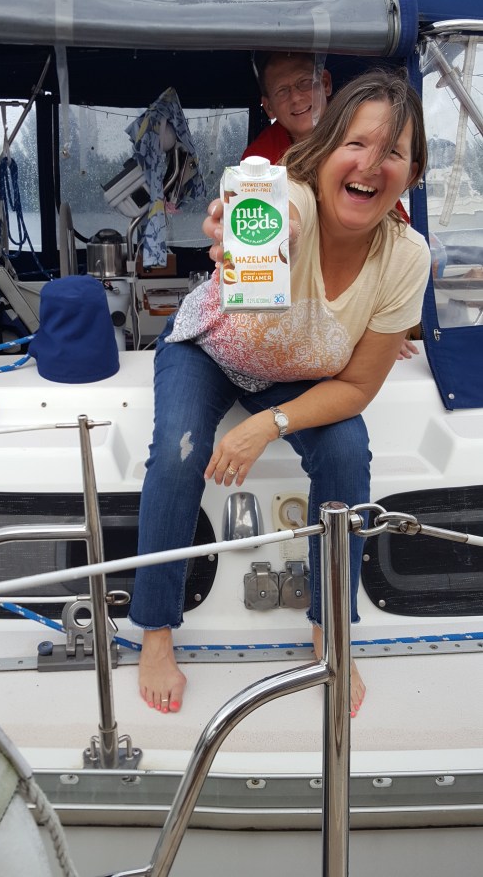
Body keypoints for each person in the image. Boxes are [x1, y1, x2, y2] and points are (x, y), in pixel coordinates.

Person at [129, 68, 431, 719]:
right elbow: (274, 214)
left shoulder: (407, 257)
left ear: (412, 173)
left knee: (346, 451)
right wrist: (248, 226)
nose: (370, 164)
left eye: (393, 152)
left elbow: (357, 386)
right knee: (178, 451)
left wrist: (268, 423)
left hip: (297, 372)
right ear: (324, 151)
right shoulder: (289, 195)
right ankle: (155, 628)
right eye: (356, 143)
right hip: (210, 351)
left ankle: (331, 629)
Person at [245, 50, 418, 360]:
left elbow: (394, 235)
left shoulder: (365, 137)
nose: (297, 98)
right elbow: (273, 217)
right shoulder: (260, 160)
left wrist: (384, 331)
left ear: (325, 83)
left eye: (304, 83)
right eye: (283, 91)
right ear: (268, 106)